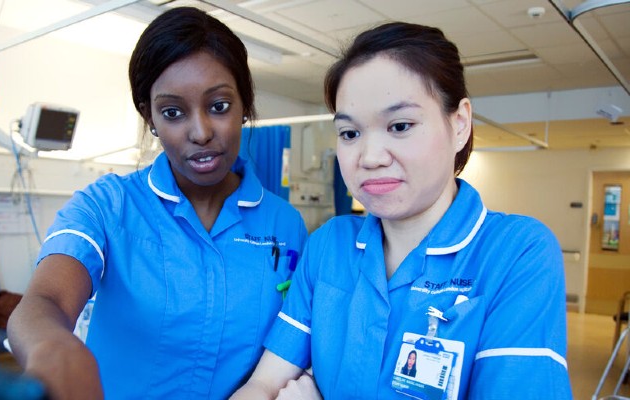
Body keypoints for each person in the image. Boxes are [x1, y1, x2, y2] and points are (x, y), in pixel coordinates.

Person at [232, 22, 571, 399]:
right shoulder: (331, 245)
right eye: (350, 133)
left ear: (459, 124)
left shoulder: (515, 252)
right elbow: (263, 384)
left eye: (400, 125)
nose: (371, 157)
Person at [7, 7, 307, 400]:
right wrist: (52, 347)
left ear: (245, 106)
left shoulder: (285, 225)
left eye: (219, 106)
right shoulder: (107, 206)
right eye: (172, 112)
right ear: (149, 117)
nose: (200, 132)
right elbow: (45, 301)